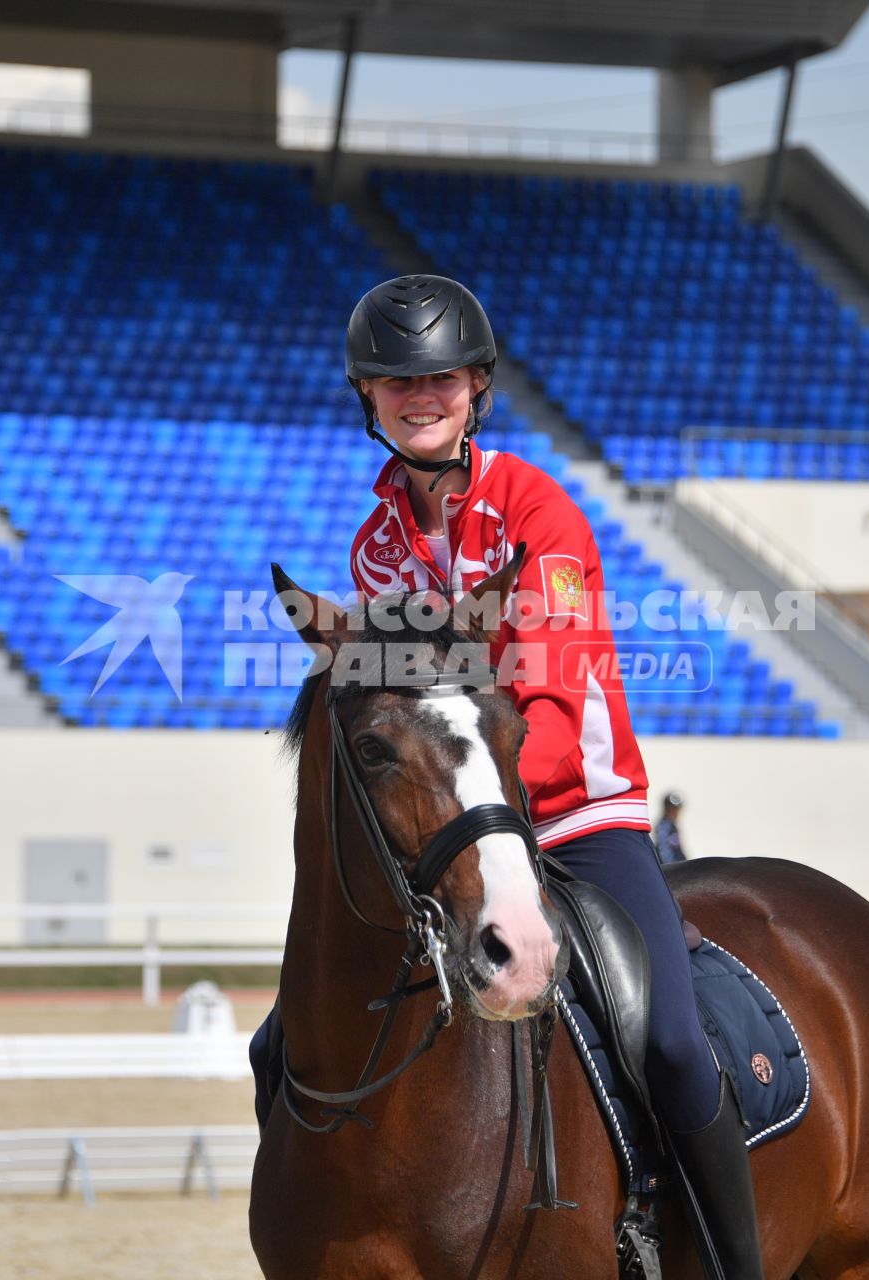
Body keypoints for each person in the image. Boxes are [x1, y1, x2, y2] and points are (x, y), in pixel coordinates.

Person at [334, 275, 761, 1279]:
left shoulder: (537, 506)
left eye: (438, 376)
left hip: (577, 816)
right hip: (459, 838)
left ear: (477, 385)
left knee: (668, 1039)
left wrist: (494, 807)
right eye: (396, 381)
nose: (418, 394)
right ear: (367, 396)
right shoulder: (374, 546)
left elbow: (553, 695)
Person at [655, 790, 686, 865]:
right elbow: (664, 850)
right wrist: (673, 868)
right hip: (673, 871)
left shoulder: (671, 825)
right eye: (672, 808)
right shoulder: (664, 826)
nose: (675, 812)